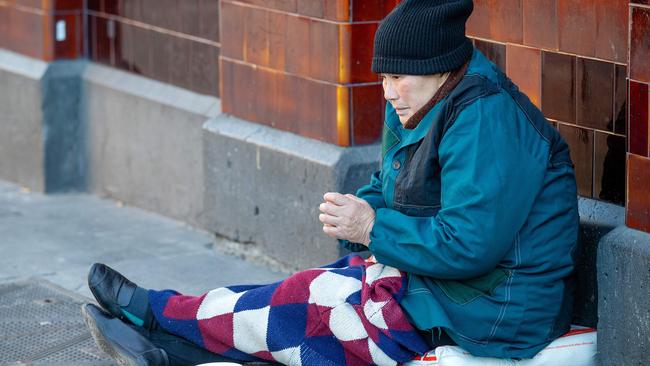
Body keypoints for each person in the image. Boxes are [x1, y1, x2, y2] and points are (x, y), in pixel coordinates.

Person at [82, 0, 578, 365]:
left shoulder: (486, 119)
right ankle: (172, 331)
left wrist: (372, 229)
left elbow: (470, 244)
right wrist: (356, 215)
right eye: (383, 79)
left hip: (496, 311)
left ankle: (163, 321)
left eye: (396, 78)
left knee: (323, 305)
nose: (387, 93)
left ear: (437, 67)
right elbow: (387, 185)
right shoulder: (420, 102)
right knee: (312, 293)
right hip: (452, 288)